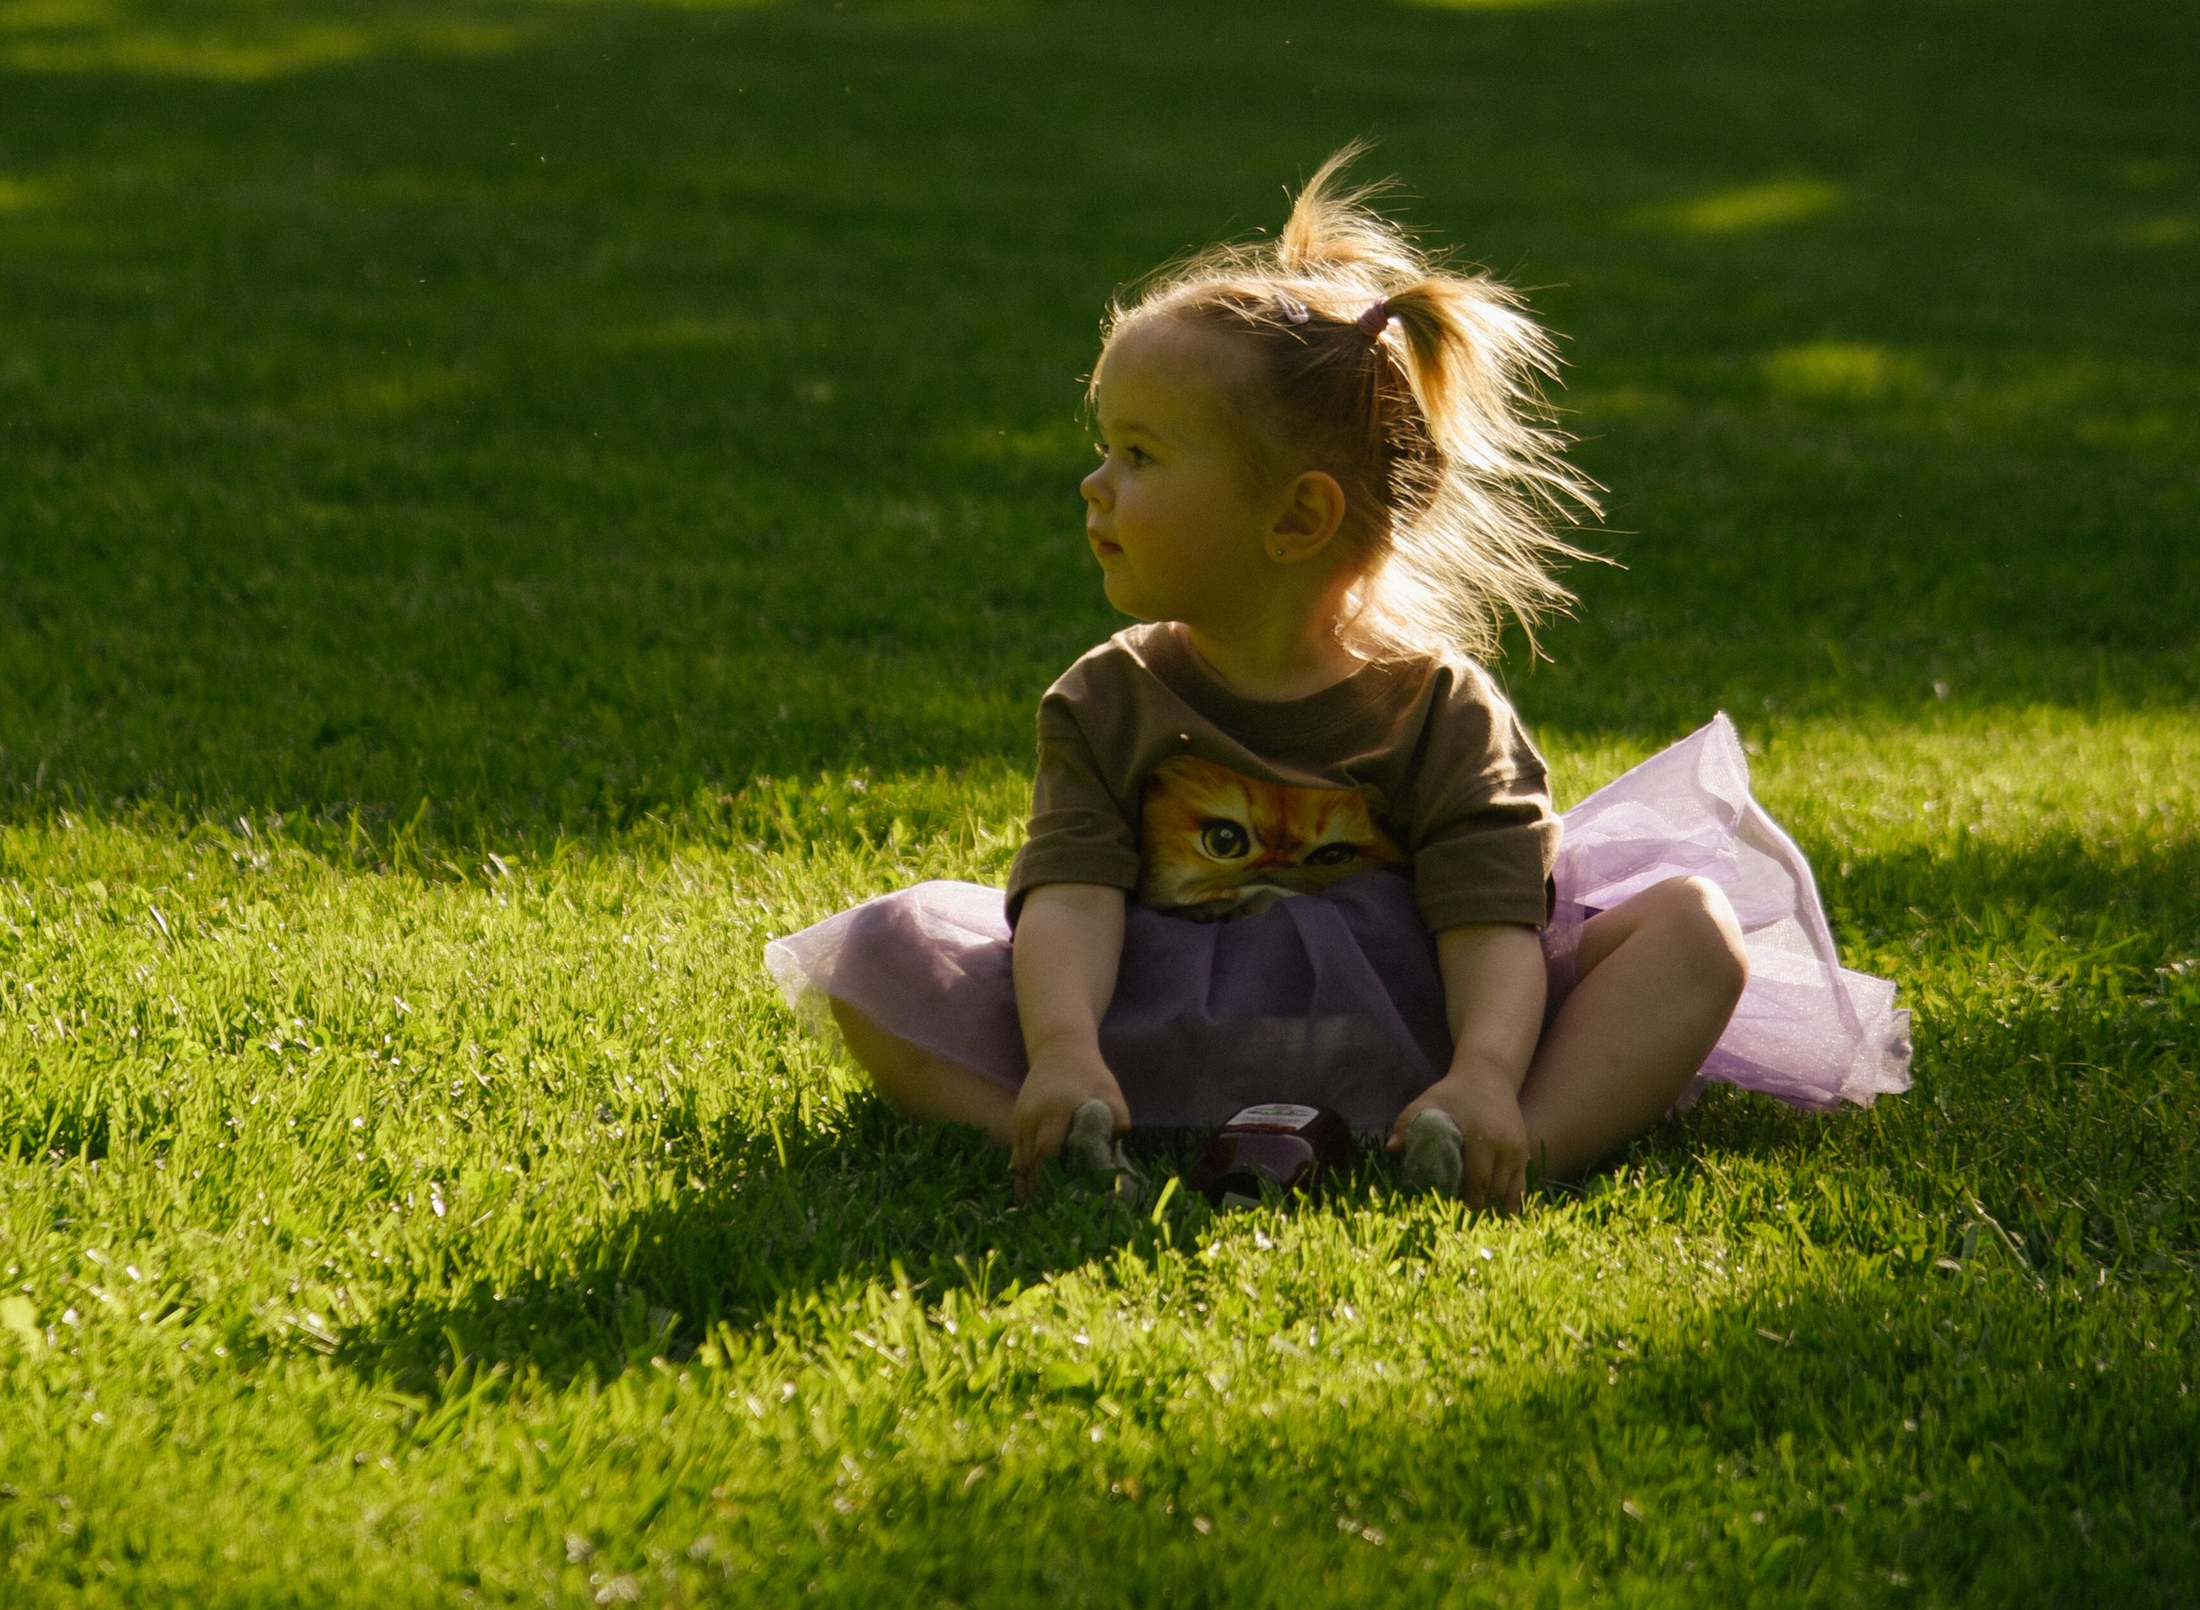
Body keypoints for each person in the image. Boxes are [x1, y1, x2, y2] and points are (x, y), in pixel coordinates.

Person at [766, 155, 1908, 1211]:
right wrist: (1063, 1046)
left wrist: (1487, 1067)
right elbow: (1069, 897)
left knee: (1695, 929)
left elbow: (1491, 925)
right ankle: (1068, 1129)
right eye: (1104, 443)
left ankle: (1499, 1140)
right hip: (1150, 1019)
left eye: (1141, 455)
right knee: (884, 948)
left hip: (1417, 1022)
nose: (1092, 483)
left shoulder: (1439, 710)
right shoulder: (1104, 697)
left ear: (1297, 515)